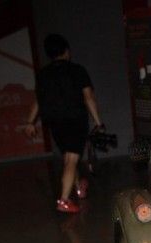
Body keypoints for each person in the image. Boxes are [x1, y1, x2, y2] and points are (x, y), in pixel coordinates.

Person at [25, 34, 103, 213]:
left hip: (55, 121)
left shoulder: (43, 74)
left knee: (69, 157)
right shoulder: (77, 70)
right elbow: (88, 97)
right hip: (75, 119)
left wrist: (30, 122)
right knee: (71, 159)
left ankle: (78, 187)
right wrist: (98, 122)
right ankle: (64, 200)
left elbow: (38, 100)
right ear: (67, 51)